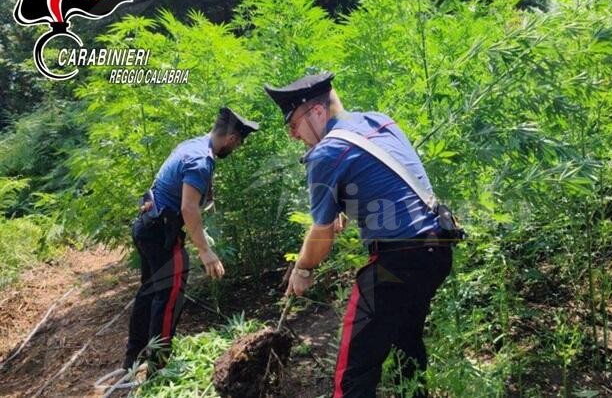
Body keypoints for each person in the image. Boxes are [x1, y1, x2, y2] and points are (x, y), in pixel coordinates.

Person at [265, 72, 454, 398]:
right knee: (406, 339)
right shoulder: (378, 121)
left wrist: (302, 268)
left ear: (318, 113)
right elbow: (384, 179)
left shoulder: (326, 153)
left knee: (354, 368)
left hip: (397, 260)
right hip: (437, 248)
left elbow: (321, 238)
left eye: (294, 125)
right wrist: (344, 206)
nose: (294, 136)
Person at [122, 107, 259, 371]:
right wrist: (205, 251)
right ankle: (156, 367)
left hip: (147, 226)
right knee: (170, 296)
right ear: (231, 138)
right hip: (161, 233)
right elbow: (188, 208)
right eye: (239, 144)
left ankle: (134, 357)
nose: (237, 149)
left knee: (150, 292)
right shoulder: (201, 160)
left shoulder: (192, 144)